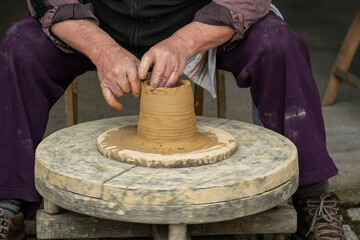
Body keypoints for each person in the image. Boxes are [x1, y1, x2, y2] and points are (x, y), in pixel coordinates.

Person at [0, 0, 346, 239]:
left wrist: (183, 42)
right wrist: (104, 49)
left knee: (279, 44)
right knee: (20, 47)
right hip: (93, 22)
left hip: (199, 20)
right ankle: (8, 202)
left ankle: (313, 197)